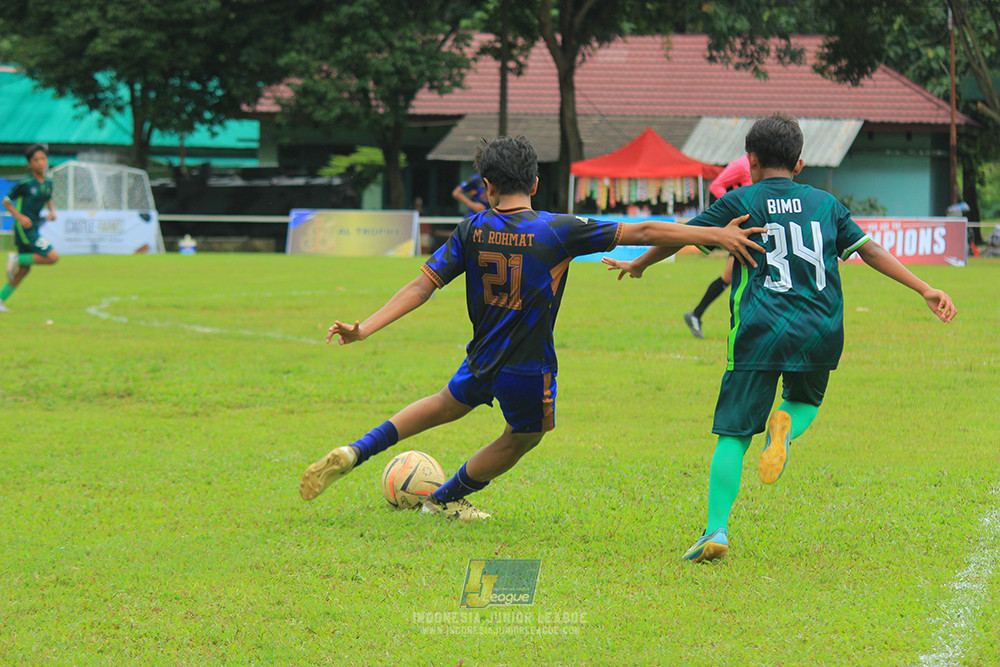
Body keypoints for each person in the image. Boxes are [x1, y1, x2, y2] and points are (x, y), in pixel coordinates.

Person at [299, 135, 766, 521]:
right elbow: (643, 232)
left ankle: (356, 451)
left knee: (446, 403)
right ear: (536, 182)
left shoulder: (471, 228)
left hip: (483, 355)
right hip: (528, 365)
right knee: (525, 435)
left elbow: (421, 287)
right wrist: (717, 234)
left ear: (486, 185)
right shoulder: (557, 229)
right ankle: (441, 501)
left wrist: (365, 329)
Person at [603, 114, 956, 561]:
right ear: (801, 163)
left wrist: (640, 263)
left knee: (733, 433)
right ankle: (784, 433)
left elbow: (683, 236)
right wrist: (925, 287)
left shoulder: (742, 201)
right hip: (820, 327)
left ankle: (716, 530)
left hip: (760, 328)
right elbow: (869, 249)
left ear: (750, 160)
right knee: (804, 403)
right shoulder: (826, 204)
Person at [683, 155, 752, 339]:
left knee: (734, 274)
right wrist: (738, 207)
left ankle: (696, 314)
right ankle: (696, 314)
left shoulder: (766, 163)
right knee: (735, 274)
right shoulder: (741, 164)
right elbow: (716, 185)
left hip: (757, 225)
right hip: (744, 226)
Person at [2, 144, 59, 313]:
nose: (41, 162)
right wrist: (19, 216)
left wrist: (52, 212)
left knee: (24, 270)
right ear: (29, 164)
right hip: (24, 229)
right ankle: (17, 258)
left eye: (43, 158)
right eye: (36, 160)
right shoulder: (25, 184)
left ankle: (0, 299)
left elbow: (48, 199)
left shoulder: (49, 183)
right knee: (52, 257)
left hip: (34, 227)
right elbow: (6, 201)